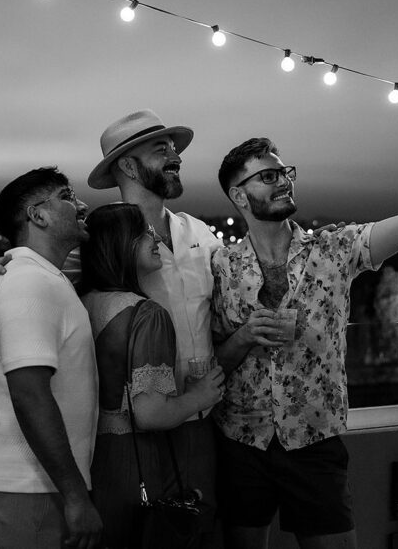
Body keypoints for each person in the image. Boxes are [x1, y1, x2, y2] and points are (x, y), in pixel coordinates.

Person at [0, 110, 225, 536]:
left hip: (202, 425)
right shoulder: (94, 239)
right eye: (161, 148)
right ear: (128, 165)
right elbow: (35, 273)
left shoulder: (202, 235)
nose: (176, 157)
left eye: (174, 148)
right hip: (132, 433)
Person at [210, 137, 398, 549]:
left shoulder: (335, 249)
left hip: (314, 444)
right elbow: (214, 364)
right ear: (239, 195)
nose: (284, 182)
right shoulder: (220, 267)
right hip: (241, 443)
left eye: (285, 173)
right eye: (268, 176)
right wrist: (246, 336)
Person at [0, 167, 102, 549]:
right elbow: (30, 394)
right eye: (66, 195)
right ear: (38, 215)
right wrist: (76, 496)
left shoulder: (43, 278)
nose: (81, 204)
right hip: (28, 489)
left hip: (37, 485)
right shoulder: (29, 284)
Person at [79, 202, 225, 548]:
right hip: (135, 461)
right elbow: (150, 414)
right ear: (120, 243)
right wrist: (200, 396)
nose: (154, 238)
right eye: (142, 233)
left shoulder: (81, 300)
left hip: (92, 456)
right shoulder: (147, 315)